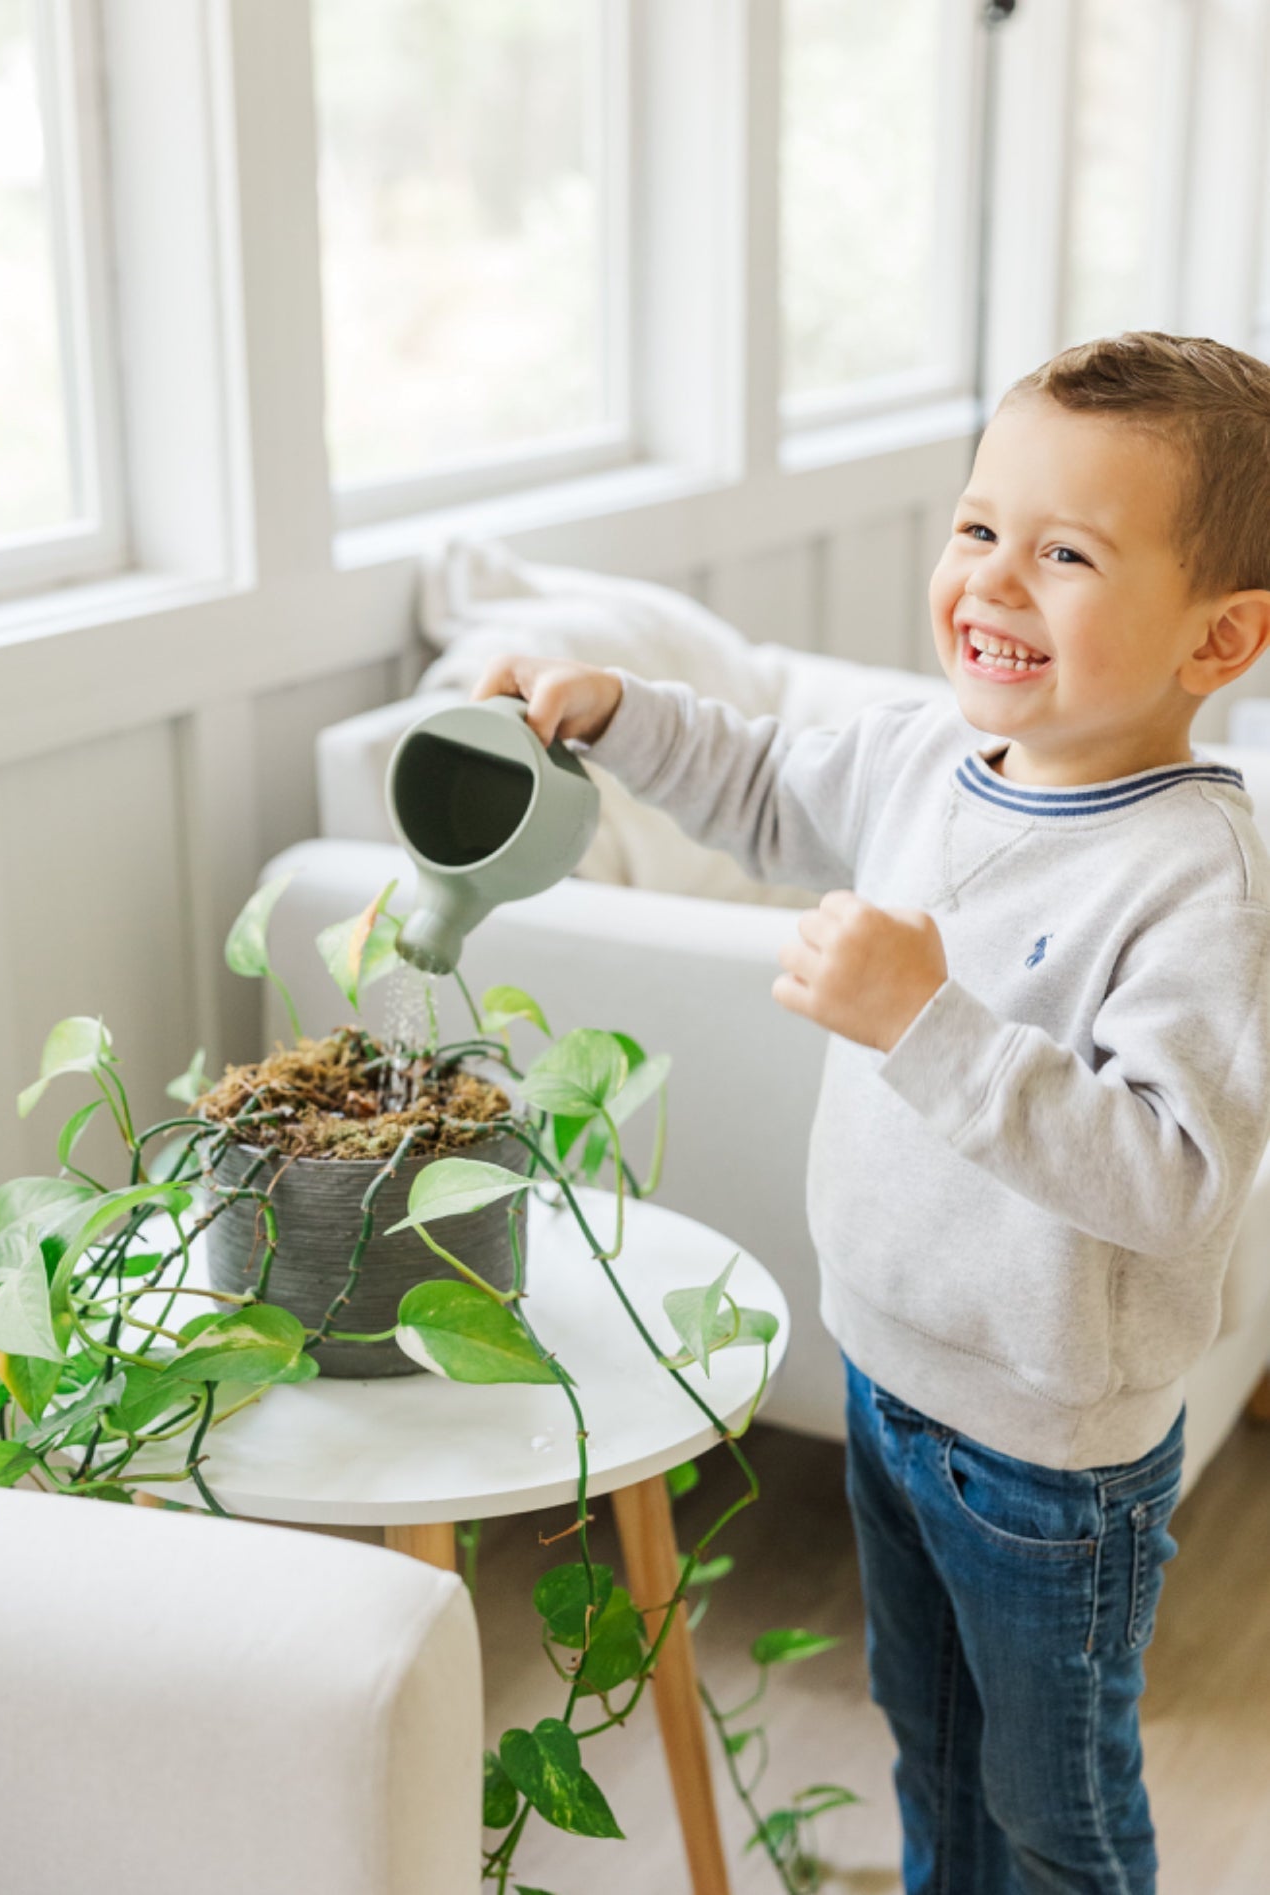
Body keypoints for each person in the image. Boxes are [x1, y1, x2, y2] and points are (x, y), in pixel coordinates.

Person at [471, 331, 1270, 1894]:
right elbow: (765, 783)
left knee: (1053, 1809)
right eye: (979, 527)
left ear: (1221, 634)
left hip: (1050, 1464)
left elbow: (1179, 1179)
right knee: (932, 1740)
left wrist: (927, 1022)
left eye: (1066, 553)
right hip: (887, 1378)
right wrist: (616, 713)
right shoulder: (929, 755)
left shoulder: (1199, 884)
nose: (993, 581)